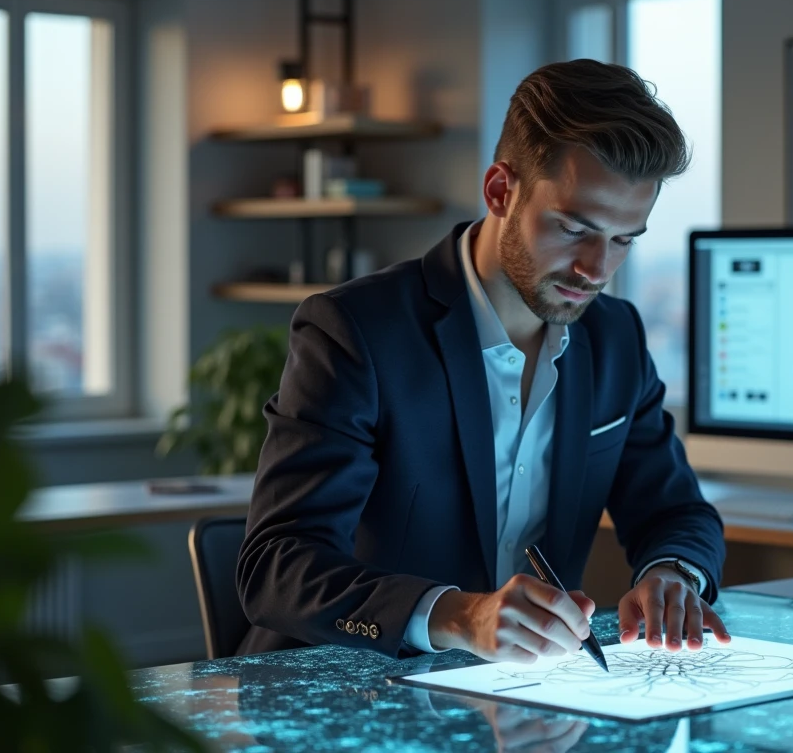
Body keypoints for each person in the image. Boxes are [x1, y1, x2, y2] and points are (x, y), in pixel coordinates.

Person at [235, 58, 730, 663]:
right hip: (347, 690)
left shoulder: (615, 338)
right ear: (500, 191)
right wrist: (457, 615)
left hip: (520, 699)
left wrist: (673, 573)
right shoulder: (356, 331)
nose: (597, 271)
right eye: (575, 229)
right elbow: (277, 570)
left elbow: (675, 509)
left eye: (624, 239)